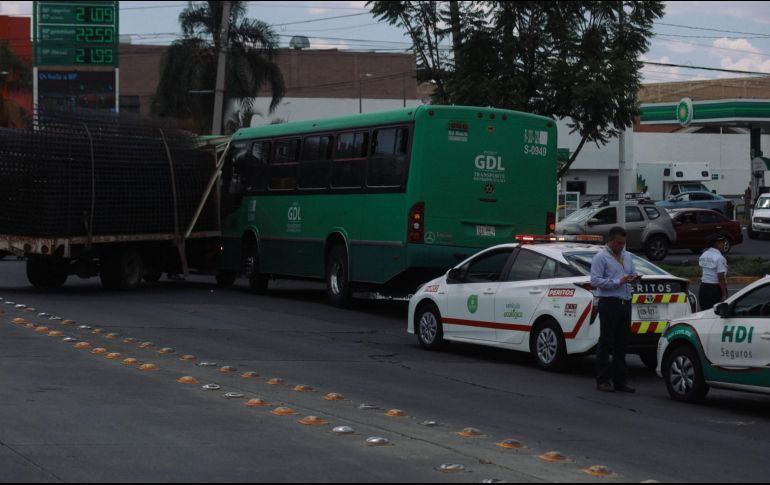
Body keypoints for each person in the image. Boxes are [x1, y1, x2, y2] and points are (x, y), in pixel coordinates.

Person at [590, 226, 641, 393]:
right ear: (611, 240)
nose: (621, 246)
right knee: (606, 342)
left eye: (623, 243)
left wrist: (634, 279)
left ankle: (621, 381)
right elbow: (595, 281)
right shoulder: (601, 257)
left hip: (625, 302)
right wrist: (618, 282)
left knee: (622, 343)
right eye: (618, 243)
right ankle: (603, 380)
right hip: (609, 302)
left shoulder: (627, 256)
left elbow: (632, 273)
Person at [698, 236, 729, 311]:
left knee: (704, 313)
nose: (724, 245)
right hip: (714, 290)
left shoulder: (704, 255)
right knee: (716, 314)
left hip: (703, 288)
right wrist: (724, 294)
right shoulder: (719, 258)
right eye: (722, 243)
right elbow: (721, 277)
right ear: (716, 244)